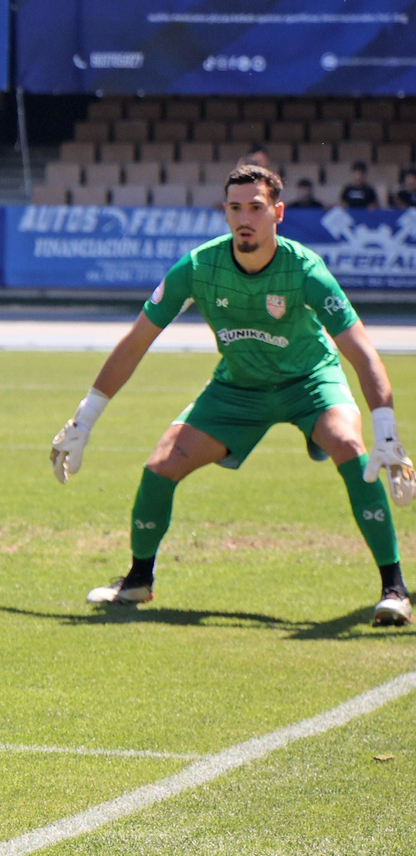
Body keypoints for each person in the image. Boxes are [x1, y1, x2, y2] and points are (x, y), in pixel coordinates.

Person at [50, 165, 415, 626]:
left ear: (277, 213)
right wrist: (84, 419)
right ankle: (139, 579)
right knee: (160, 467)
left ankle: (394, 589)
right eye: (235, 207)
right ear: (224, 213)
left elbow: (362, 353)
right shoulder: (199, 267)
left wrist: (386, 428)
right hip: (238, 387)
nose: (245, 218)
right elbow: (136, 341)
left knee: (348, 446)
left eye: (256, 208)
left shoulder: (306, 271)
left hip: (310, 383)